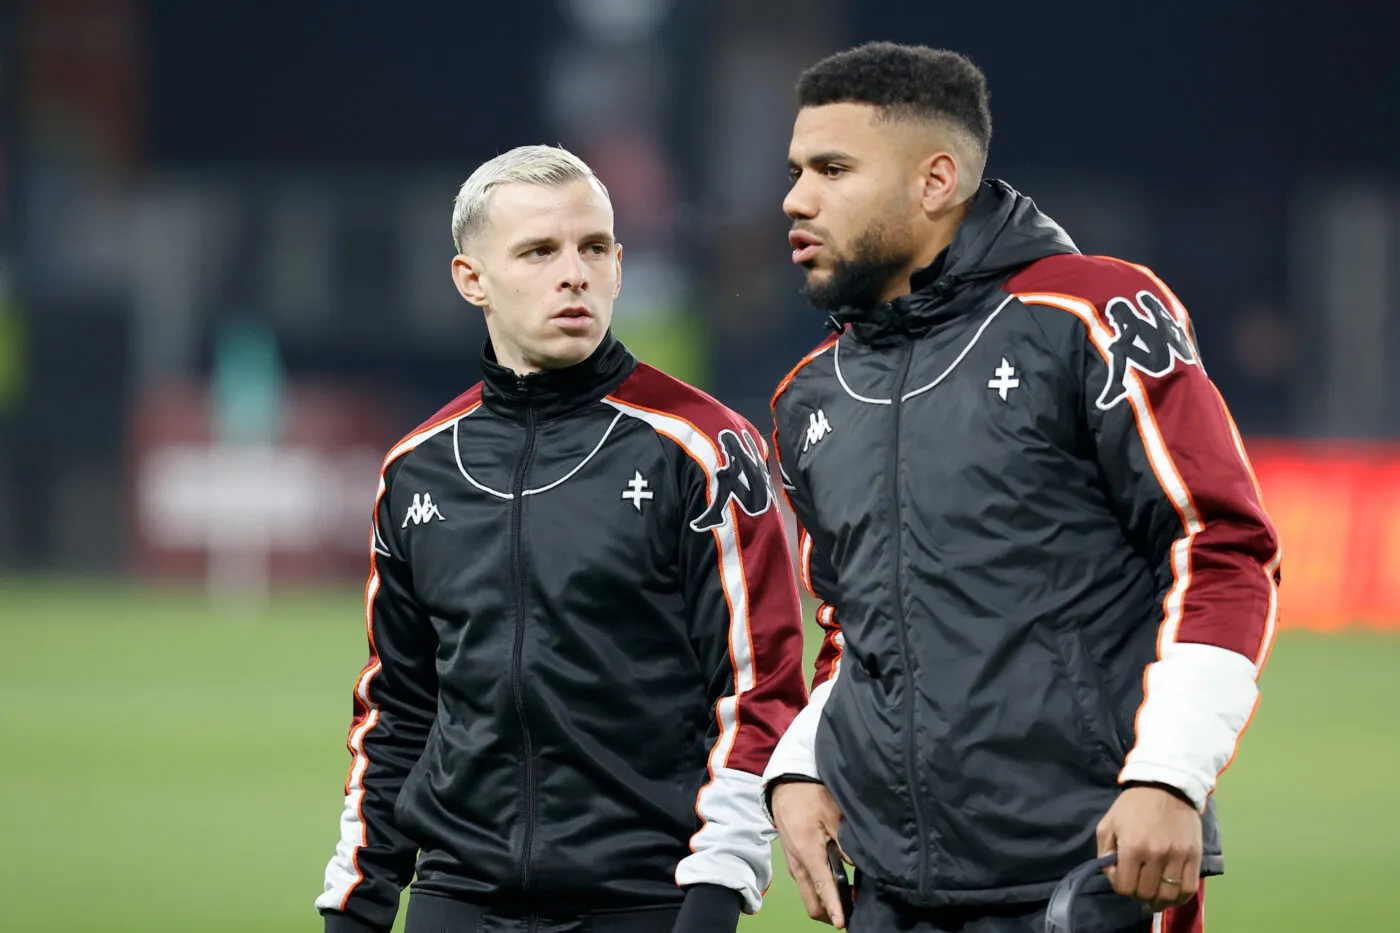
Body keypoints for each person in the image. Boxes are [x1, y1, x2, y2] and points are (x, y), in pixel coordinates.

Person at [763, 43, 1281, 933]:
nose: (795, 199)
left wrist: (1169, 776)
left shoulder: (1093, 314)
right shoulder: (810, 393)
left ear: (936, 180)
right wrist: (800, 768)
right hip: (886, 888)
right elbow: (853, 631)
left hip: (1087, 876)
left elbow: (1222, 549)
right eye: (797, 170)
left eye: (833, 169)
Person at [316, 145, 808, 933]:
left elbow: (761, 688)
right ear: (471, 278)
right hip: (455, 895)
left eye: (594, 248)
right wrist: (359, 898)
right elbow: (398, 707)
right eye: (539, 251)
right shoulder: (417, 468)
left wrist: (715, 893)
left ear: (618, 265)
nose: (573, 272)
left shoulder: (706, 447)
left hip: (646, 895)